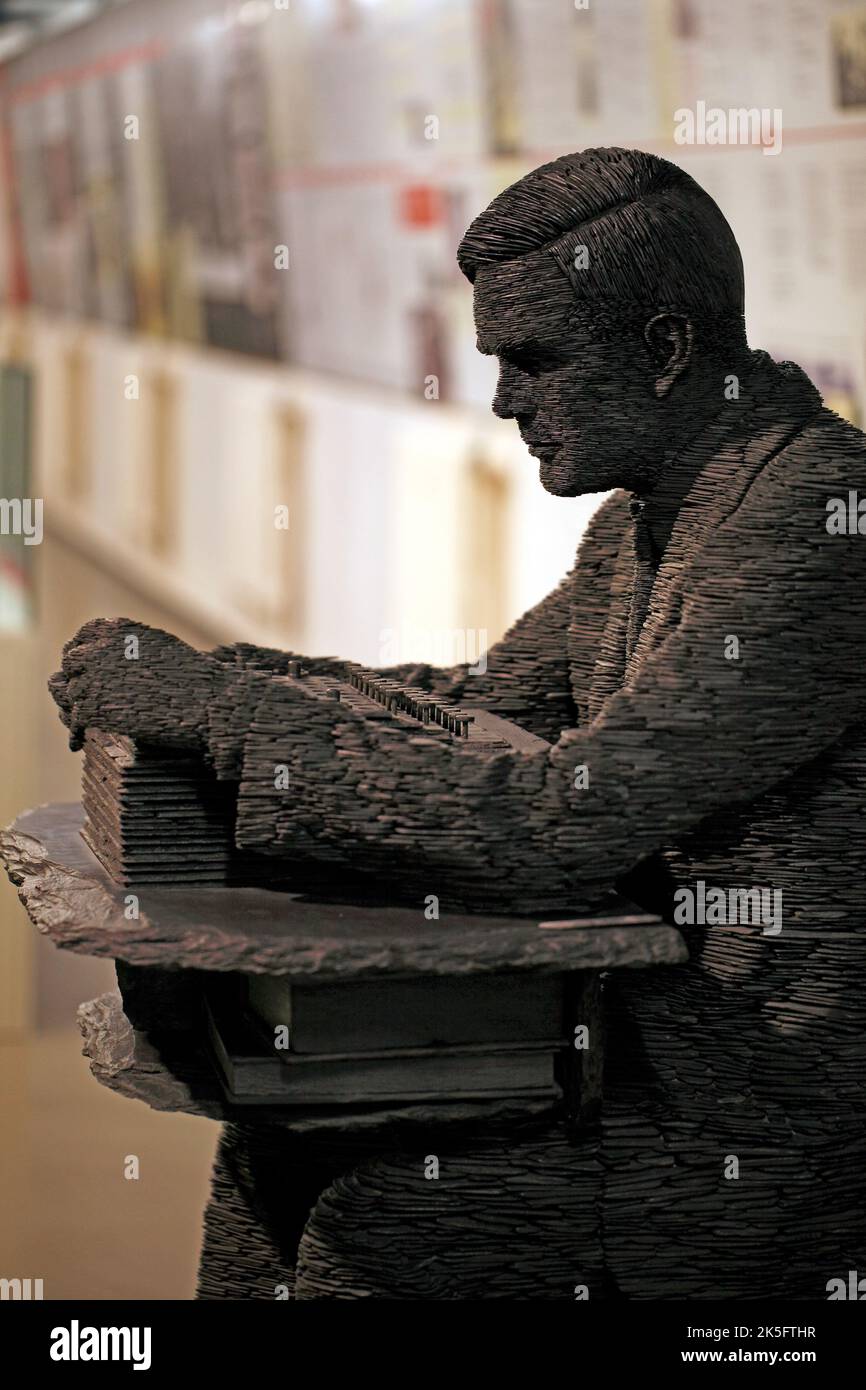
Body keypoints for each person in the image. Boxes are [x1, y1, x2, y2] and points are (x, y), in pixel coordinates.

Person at [49, 148, 866, 1297]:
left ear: (666, 350)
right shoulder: (652, 518)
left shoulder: (813, 527)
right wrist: (232, 673)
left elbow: (559, 817)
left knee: (369, 1230)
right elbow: (475, 703)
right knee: (265, 1158)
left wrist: (224, 712)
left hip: (737, 1134)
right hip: (620, 1057)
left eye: (531, 360)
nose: (500, 401)